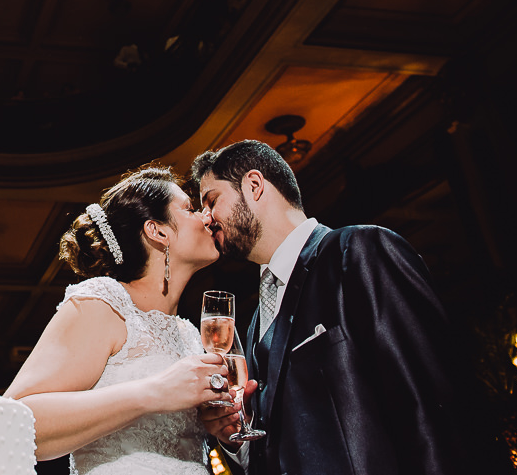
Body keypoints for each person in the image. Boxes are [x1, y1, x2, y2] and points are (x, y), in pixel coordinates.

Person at [193, 140, 466, 475]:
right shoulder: (251, 327)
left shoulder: (358, 252)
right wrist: (236, 439)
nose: (205, 218)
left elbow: (430, 402)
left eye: (211, 201)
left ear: (254, 185)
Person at [5, 165, 229, 474]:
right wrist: (154, 392)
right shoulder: (105, 302)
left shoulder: (190, 334)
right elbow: (16, 421)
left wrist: (220, 427)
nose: (206, 217)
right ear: (158, 231)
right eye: (189, 209)